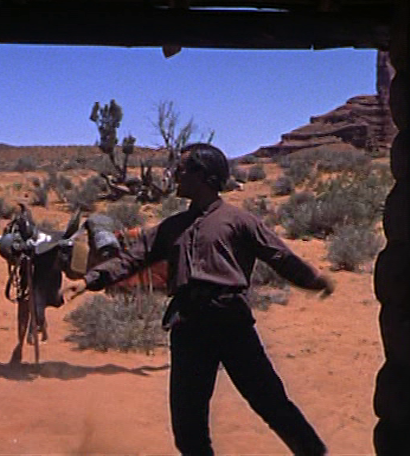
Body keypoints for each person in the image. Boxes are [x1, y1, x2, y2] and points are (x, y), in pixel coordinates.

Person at [60, 142, 335, 455]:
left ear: (205, 176)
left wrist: (312, 279)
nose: (175, 174)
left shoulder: (239, 220)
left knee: (271, 403)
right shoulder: (172, 227)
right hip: (188, 327)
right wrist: (89, 281)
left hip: (231, 323)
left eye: (182, 169)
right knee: (188, 426)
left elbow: (280, 256)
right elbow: (132, 258)